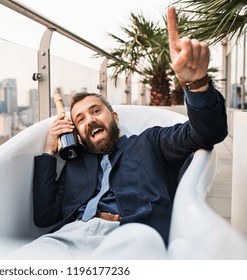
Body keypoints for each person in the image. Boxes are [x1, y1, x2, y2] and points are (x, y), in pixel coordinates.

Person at [12, 7, 228, 259]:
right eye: (80, 119)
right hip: (68, 237)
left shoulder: (150, 142)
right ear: (78, 134)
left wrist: (197, 84)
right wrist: (49, 151)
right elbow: (44, 217)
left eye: (95, 111)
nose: (89, 120)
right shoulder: (76, 165)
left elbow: (207, 133)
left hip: (132, 234)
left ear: (114, 117)